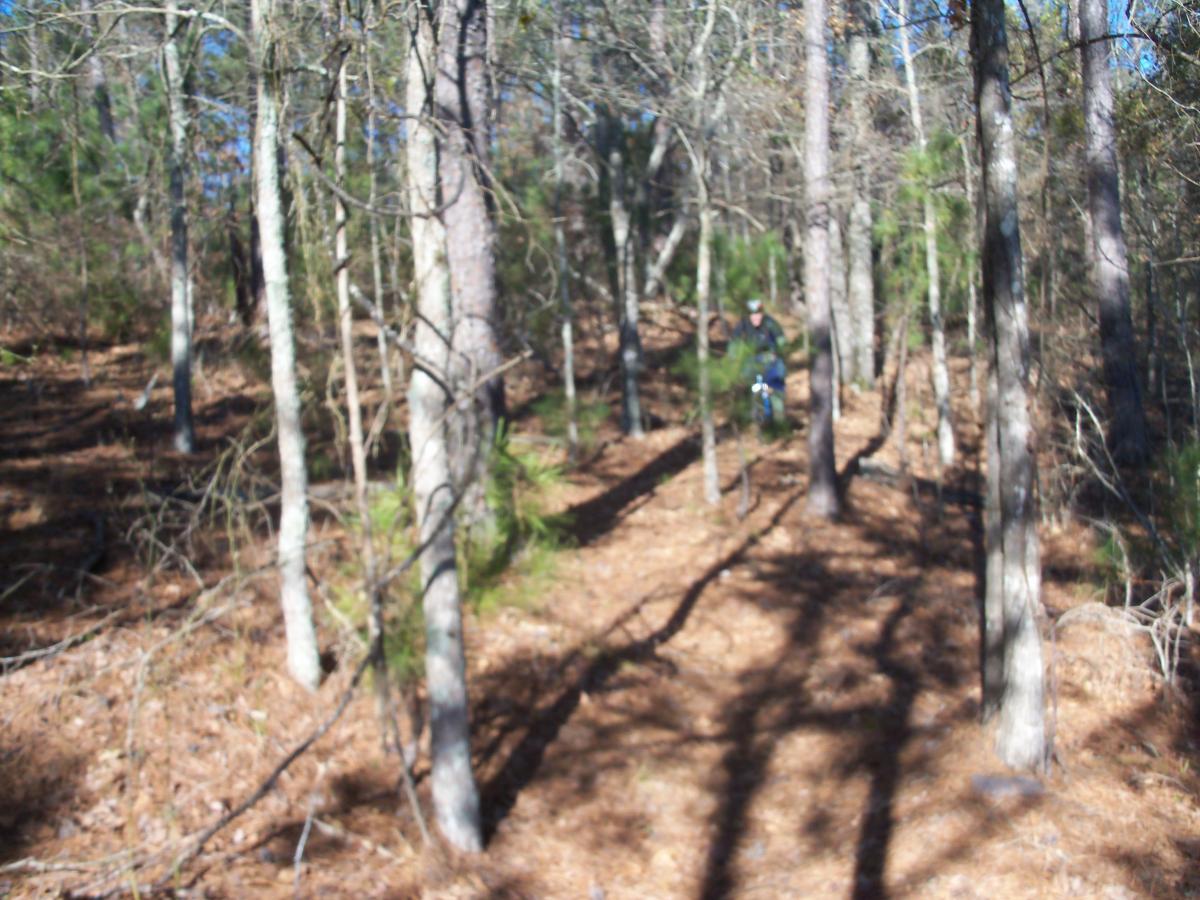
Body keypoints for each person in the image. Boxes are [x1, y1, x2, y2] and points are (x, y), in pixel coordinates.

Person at [731, 298, 787, 422]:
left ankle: (779, 418)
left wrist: (779, 353)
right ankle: (748, 417)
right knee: (743, 382)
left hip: (770, 358)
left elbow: (781, 341)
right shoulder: (743, 324)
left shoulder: (770, 323)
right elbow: (734, 343)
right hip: (751, 360)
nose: (755, 317)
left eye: (758, 314)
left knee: (776, 382)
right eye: (752, 314)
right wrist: (733, 358)